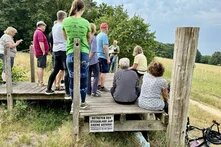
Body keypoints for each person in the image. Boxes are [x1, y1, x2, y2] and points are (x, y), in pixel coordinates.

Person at [63, 0, 91, 110]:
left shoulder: (65, 21)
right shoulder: (86, 22)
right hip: (83, 52)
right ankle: (83, 102)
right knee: (83, 78)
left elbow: (65, 37)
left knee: (72, 78)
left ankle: (74, 103)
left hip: (70, 52)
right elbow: (89, 38)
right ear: (82, 9)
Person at [45, 10, 70, 98]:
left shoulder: (54, 26)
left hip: (56, 50)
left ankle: (48, 88)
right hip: (63, 49)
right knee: (67, 70)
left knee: (55, 70)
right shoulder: (64, 26)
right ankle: (67, 92)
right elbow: (67, 37)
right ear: (64, 17)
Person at [33, 21, 49, 87]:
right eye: (44, 26)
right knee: (41, 67)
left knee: (39, 66)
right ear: (41, 26)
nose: (45, 28)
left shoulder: (36, 32)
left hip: (39, 52)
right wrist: (43, 51)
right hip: (41, 52)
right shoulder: (39, 32)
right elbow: (41, 42)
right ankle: (41, 82)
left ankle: (39, 81)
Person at [87, 23, 101, 97]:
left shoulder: (86, 37)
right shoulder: (93, 38)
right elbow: (93, 50)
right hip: (94, 60)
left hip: (86, 60)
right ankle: (94, 91)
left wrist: (86, 59)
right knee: (96, 75)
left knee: (88, 76)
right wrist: (89, 58)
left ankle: (88, 91)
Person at [97, 22, 110, 92]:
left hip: (97, 56)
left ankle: (98, 85)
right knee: (104, 72)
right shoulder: (104, 36)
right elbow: (105, 47)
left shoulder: (98, 35)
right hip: (102, 56)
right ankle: (102, 86)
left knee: (99, 71)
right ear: (106, 28)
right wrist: (107, 57)